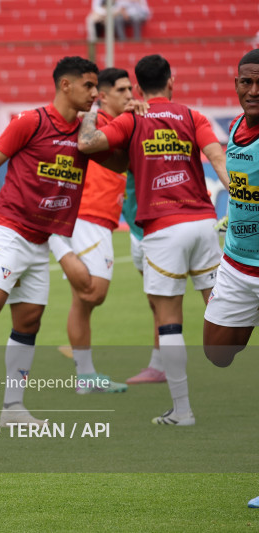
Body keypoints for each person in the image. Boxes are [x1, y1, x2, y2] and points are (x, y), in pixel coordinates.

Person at [0, 56, 129, 425]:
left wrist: (102, 126)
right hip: (10, 228)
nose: (95, 93)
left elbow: (120, 164)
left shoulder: (85, 135)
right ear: (65, 85)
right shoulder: (30, 121)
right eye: (89, 86)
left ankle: (12, 408)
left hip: (43, 239)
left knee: (28, 321)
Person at [78, 53, 229, 427]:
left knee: (169, 321)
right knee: (225, 312)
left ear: (140, 88)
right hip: (204, 223)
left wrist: (91, 114)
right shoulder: (193, 116)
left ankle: (182, 411)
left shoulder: (132, 119)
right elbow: (217, 158)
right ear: (172, 82)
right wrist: (243, 201)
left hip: (163, 230)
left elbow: (88, 144)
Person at [47, 68, 133, 393]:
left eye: (131, 90)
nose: (129, 96)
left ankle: (85, 377)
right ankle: (53, 238)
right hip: (87, 214)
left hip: (103, 218)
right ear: (105, 96)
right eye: (122, 90)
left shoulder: (123, 124)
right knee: (94, 291)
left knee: (83, 303)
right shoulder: (93, 121)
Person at [201, 48, 259, 509]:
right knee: (218, 352)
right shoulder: (238, 127)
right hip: (238, 264)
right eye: (246, 82)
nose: (253, 91)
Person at [121, 168, 166, 385]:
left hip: (158, 227)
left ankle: (161, 365)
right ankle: (160, 363)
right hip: (135, 226)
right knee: (154, 299)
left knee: (163, 300)